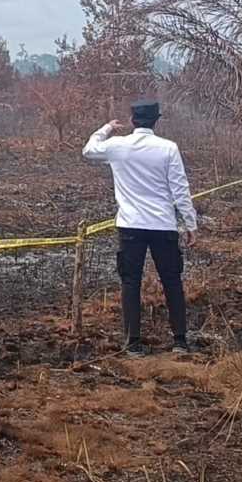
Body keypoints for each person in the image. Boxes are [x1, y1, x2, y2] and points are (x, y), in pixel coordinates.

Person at [82, 101, 198, 357]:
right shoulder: (168, 148)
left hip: (130, 225)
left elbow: (88, 150)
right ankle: (179, 341)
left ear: (133, 121)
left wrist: (106, 129)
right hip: (163, 225)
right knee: (172, 281)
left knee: (130, 282)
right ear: (156, 121)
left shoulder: (117, 146)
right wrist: (190, 223)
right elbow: (180, 189)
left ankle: (132, 343)